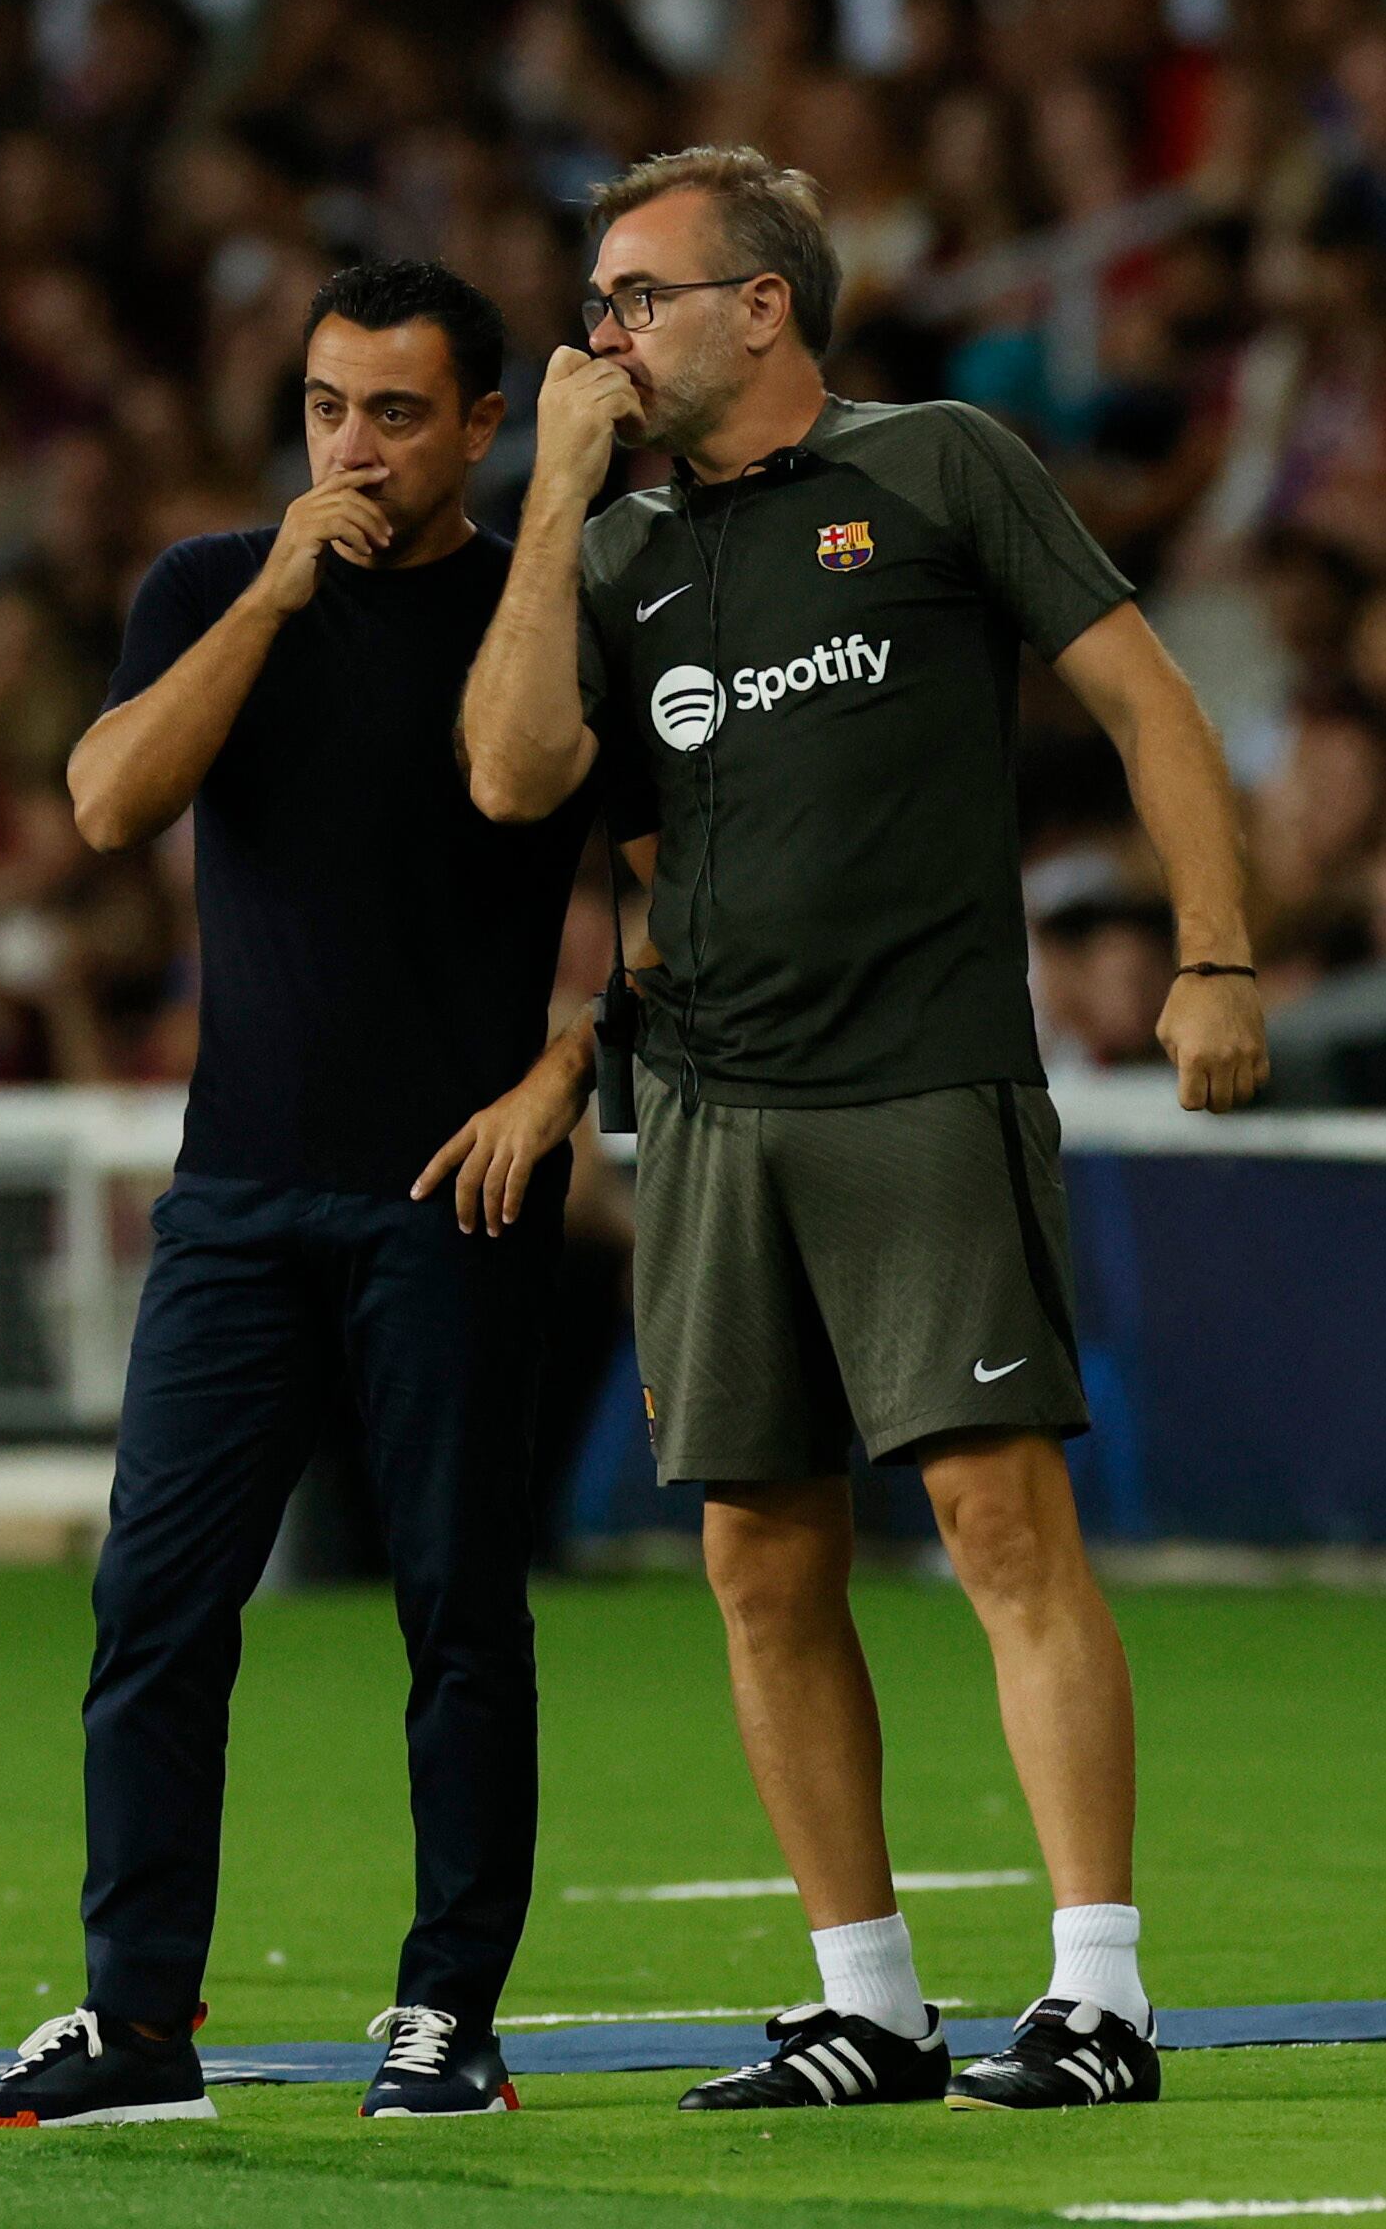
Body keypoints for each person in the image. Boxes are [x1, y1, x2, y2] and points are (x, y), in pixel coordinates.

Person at [460, 145, 1269, 2115]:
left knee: (999, 1519)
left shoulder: (940, 466)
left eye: (638, 293)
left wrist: (1217, 958)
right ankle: (872, 2003)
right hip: (715, 1109)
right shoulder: (621, 554)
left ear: (765, 304)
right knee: (759, 1558)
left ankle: (1099, 1995)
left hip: (922, 1077)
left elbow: (1155, 703)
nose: (602, 331)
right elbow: (511, 776)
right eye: (592, 299)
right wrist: (557, 494)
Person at [0, 258, 649, 2132]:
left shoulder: (543, 598)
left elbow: (626, 867)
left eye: (397, 414)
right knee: (154, 1604)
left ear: (481, 427)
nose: (354, 447)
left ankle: (447, 2018)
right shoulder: (206, 587)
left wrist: (566, 1068)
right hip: (236, 1194)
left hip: (450, 1195)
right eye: (328, 408)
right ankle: (135, 2025)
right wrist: (265, 588)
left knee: (456, 1615)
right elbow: (102, 804)